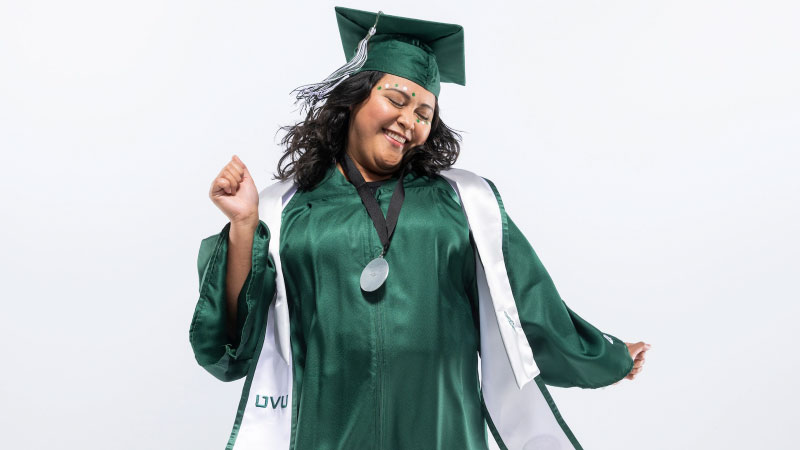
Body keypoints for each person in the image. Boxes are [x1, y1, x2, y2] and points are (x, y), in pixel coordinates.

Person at [190, 7, 650, 450]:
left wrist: (606, 356)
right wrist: (245, 225)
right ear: (355, 96)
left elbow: (530, 305)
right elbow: (231, 346)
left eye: (425, 114)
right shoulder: (288, 209)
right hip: (327, 434)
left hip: (441, 432)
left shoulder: (463, 203)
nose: (408, 121)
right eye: (396, 99)